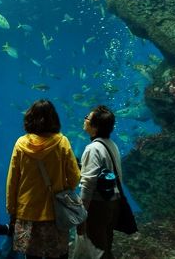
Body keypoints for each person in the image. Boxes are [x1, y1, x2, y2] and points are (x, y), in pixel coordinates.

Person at [6, 99, 80, 259]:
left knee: (32, 257)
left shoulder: (20, 144)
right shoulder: (62, 143)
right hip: (56, 214)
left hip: (27, 213)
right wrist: (62, 189)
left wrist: (12, 209)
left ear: (30, 118)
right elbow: (75, 178)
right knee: (59, 255)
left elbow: (12, 181)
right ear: (54, 119)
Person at [79, 105, 123, 259]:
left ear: (95, 126)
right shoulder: (112, 145)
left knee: (97, 250)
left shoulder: (93, 148)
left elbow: (88, 184)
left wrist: (81, 214)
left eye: (88, 118)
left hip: (98, 206)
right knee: (106, 247)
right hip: (113, 203)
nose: (85, 119)